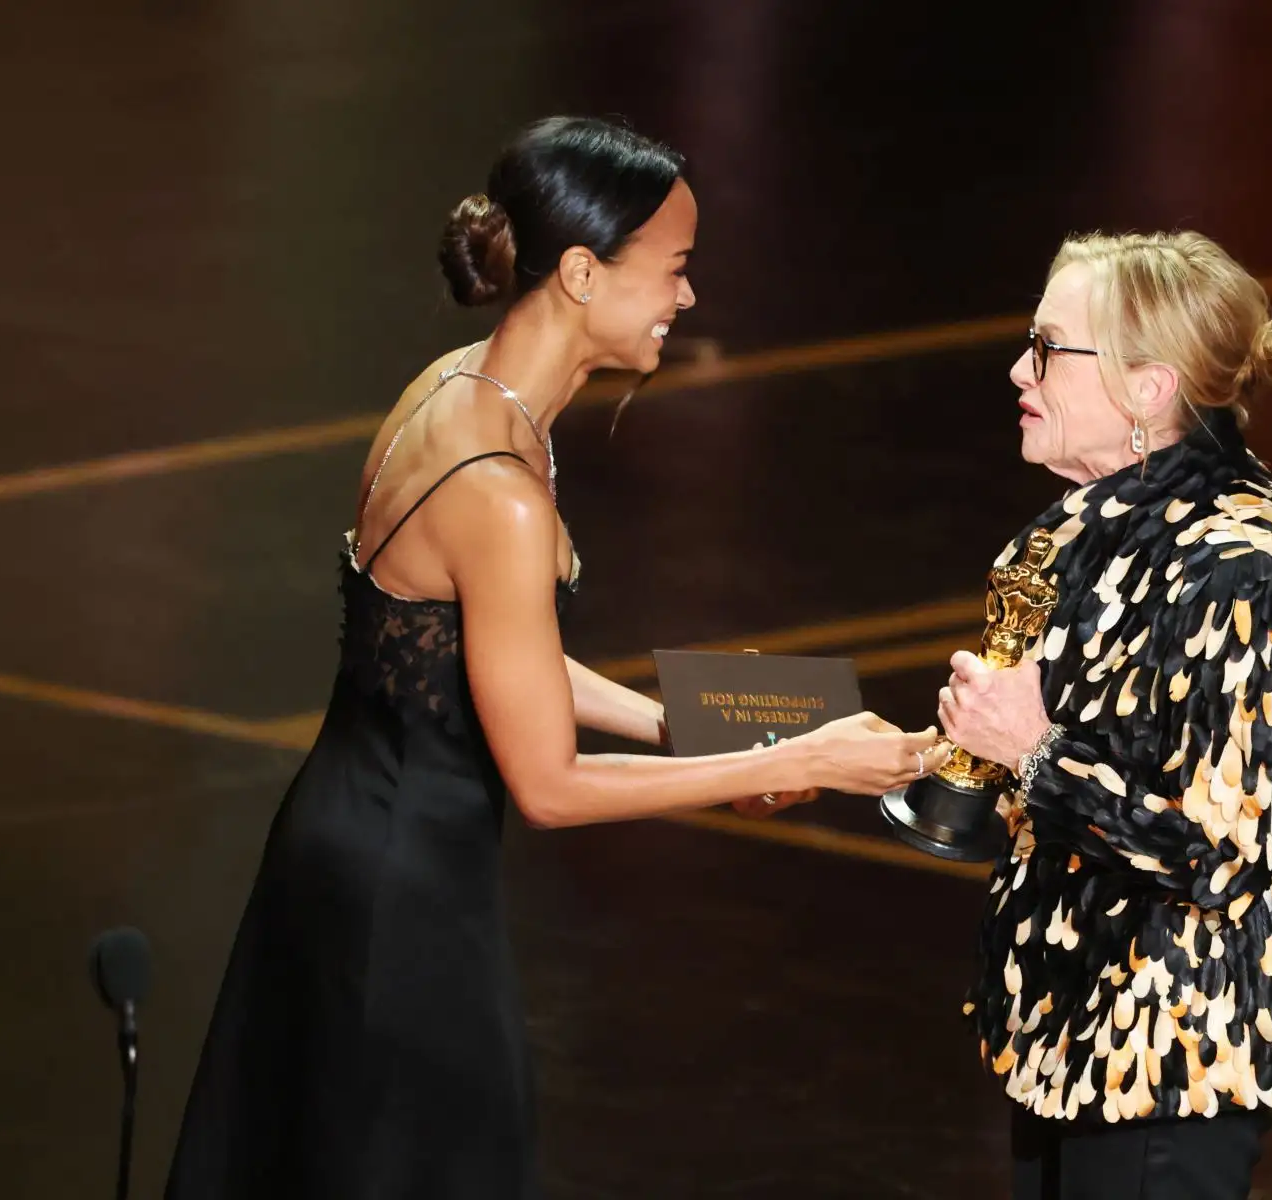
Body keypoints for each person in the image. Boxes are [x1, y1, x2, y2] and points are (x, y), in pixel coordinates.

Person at [163, 116, 948, 1199]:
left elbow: (490, 656)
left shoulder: (460, 391)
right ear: (583, 273)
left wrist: (693, 723)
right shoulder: (501, 491)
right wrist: (770, 766)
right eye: (673, 269)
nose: (687, 298)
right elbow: (548, 784)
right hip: (403, 897)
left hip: (356, 846)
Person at [937, 231, 1272, 1199]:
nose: (1018, 370)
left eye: (1047, 348)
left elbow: (1217, 849)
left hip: (1170, 1048)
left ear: (1148, 389)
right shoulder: (1088, 527)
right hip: (1075, 1025)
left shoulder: (1248, 574)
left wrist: (1034, 755)